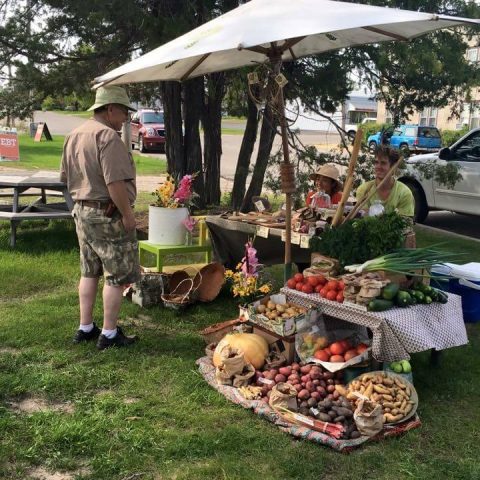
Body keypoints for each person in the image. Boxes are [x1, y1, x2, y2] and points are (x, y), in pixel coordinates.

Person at [60, 86, 141, 350]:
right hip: (107, 213)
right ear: (109, 109)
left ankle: (85, 327)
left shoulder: (74, 134)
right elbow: (115, 182)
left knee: (89, 270)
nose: (126, 118)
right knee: (116, 275)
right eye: (123, 111)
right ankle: (108, 333)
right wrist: (128, 216)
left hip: (82, 211)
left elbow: (65, 178)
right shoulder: (107, 136)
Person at [356, 145, 414, 217]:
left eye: (383, 163)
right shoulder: (364, 190)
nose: (378, 167)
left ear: (393, 166)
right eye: (376, 162)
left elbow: (406, 223)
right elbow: (362, 220)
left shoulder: (404, 193)